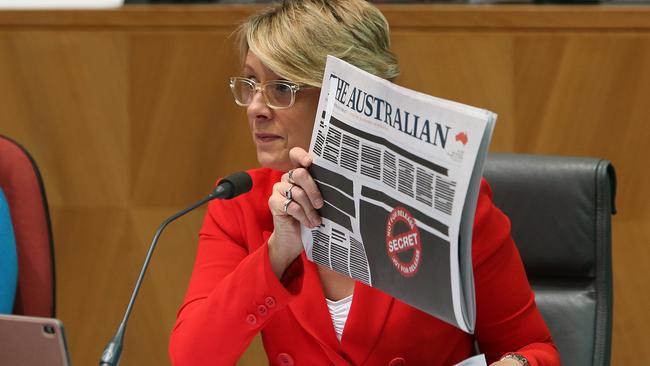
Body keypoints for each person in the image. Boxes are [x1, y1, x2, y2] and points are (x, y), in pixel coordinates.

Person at [169, 1, 560, 365]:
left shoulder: (453, 204)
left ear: (349, 95)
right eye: (251, 84)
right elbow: (192, 357)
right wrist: (276, 252)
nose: (256, 108)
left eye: (282, 89)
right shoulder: (240, 203)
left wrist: (516, 364)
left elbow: (534, 349)